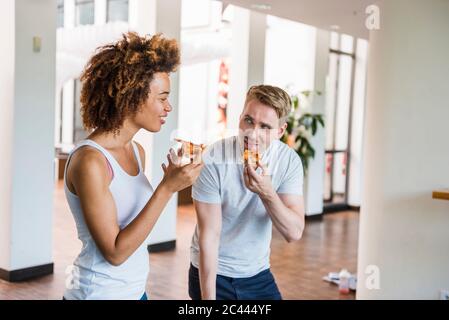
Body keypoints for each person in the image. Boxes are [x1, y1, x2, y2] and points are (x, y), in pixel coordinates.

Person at [63, 32, 203, 300]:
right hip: (98, 294)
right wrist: (167, 188)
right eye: (162, 98)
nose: (168, 106)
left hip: (135, 292)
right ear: (133, 96)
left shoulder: (136, 151)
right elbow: (115, 252)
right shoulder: (90, 161)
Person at [189, 85, 305, 300]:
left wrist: (267, 192)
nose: (253, 133)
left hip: (257, 272)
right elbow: (209, 236)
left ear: (280, 131)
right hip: (212, 271)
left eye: (265, 127)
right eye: (248, 120)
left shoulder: (289, 162)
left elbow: (294, 232)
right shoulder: (213, 158)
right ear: (240, 117)